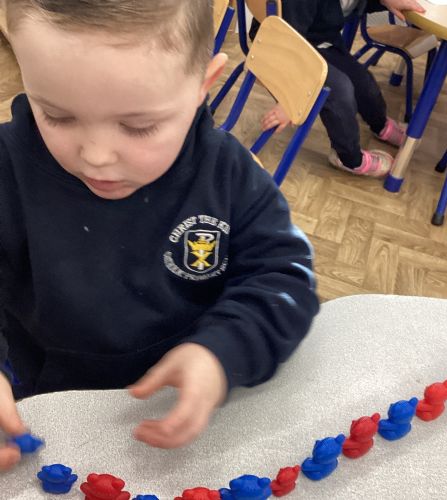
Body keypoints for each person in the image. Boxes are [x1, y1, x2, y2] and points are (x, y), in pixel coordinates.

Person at [0, 0, 319, 471]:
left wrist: (222, 352)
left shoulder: (227, 176)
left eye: (139, 126)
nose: (97, 155)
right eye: (57, 116)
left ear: (203, 86)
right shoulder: (8, 166)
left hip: (175, 410)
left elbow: (285, 278)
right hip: (42, 404)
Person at [259, 0, 425, 177]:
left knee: (364, 83)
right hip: (284, 47)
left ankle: (380, 124)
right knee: (339, 92)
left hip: (320, 41)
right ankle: (348, 158)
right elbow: (287, 43)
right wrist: (289, 97)